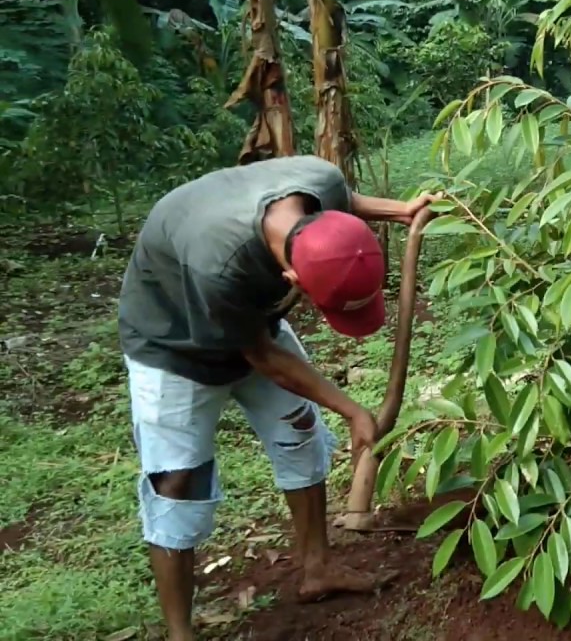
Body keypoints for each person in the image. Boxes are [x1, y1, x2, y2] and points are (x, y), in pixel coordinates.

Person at [117, 155, 437, 641]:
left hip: (251, 323)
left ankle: (318, 568)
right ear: (292, 280)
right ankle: (180, 632)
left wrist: (400, 210)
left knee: (299, 432)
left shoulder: (319, 181)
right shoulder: (218, 264)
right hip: (171, 343)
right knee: (176, 483)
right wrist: (352, 409)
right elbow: (262, 357)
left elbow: (344, 200)